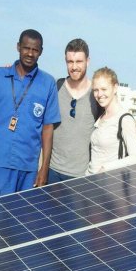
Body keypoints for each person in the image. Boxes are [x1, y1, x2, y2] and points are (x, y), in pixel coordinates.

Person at [0, 29, 60, 195]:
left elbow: (47, 128)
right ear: (18, 47)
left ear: (41, 52)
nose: (30, 53)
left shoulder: (48, 83)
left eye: (35, 50)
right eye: (26, 48)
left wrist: (44, 168)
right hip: (0, 161)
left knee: (23, 218)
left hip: (28, 166)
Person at [47, 38, 101, 183]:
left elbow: (111, 116)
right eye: (70, 62)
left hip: (83, 176)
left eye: (79, 62)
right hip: (53, 171)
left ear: (87, 61)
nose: (74, 67)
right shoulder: (56, 87)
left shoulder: (96, 94)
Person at [86, 67, 136, 174]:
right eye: (96, 90)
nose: (99, 94)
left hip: (108, 184)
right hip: (90, 181)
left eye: (104, 89)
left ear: (115, 88)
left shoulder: (125, 119)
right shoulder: (102, 116)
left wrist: (105, 168)